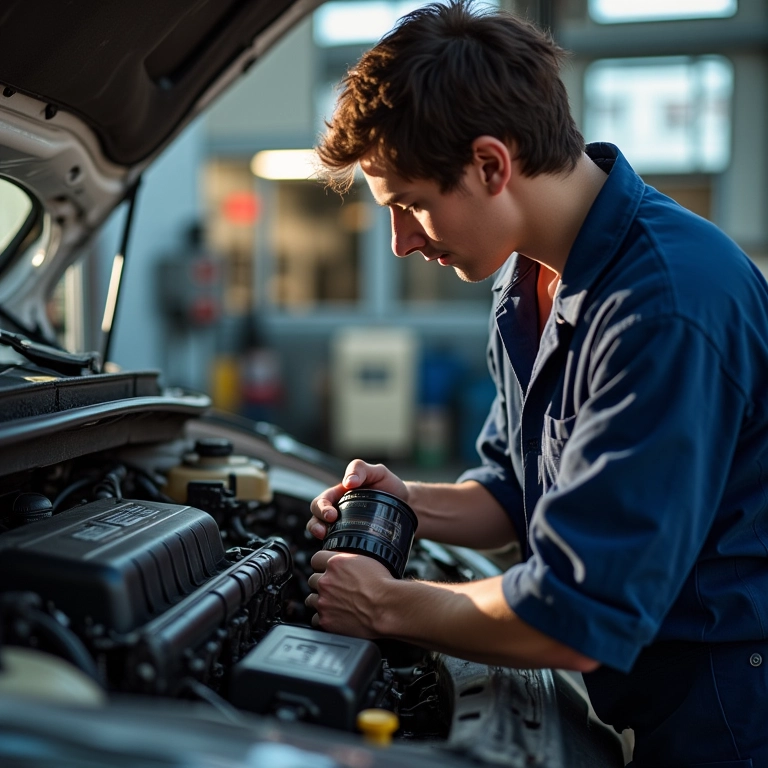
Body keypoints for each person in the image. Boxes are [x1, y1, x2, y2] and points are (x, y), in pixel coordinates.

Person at [304, 3, 768, 765]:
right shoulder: (529, 279)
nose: (402, 242)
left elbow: (572, 614)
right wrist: (403, 501)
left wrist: (386, 605)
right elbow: (513, 492)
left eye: (411, 204)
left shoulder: (667, 306)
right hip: (653, 692)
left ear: (492, 164)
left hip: (730, 713)